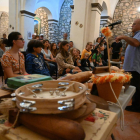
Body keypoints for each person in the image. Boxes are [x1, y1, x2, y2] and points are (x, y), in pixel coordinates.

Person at [116, 18, 140, 112]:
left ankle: (137, 106)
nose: (132, 25)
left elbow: (136, 43)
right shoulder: (136, 35)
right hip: (132, 66)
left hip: (135, 66)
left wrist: (123, 37)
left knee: (136, 87)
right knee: (134, 86)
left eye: (134, 24)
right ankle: (135, 104)